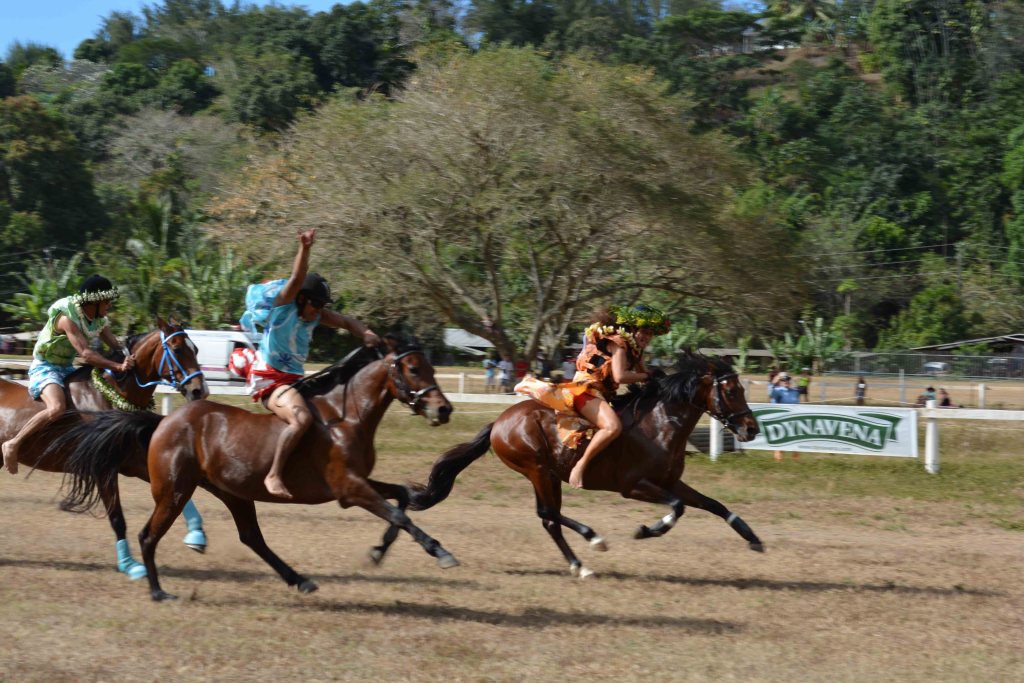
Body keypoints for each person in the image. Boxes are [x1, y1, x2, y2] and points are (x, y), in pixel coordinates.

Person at [246, 228, 380, 498]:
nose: (319, 311)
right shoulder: (285, 305)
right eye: (316, 304)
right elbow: (296, 278)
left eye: (322, 306)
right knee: (302, 418)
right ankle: (273, 475)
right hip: (269, 380)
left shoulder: (315, 315)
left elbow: (345, 322)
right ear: (302, 299)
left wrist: (365, 333)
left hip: (294, 381)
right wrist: (305, 248)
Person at [519, 305, 670, 489]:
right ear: (632, 328)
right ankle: (580, 467)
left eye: (651, 334)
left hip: (604, 394)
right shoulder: (619, 343)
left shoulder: (635, 350)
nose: (647, 337)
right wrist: (648, 376)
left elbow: (644, 375)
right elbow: (620, 376)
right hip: (586, 389)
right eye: (644, 331)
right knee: (613, 427)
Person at [3, 275, 135, 474]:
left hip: (66, 367)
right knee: (57, 408)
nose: (109, 305)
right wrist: (118, 367)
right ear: (94, 301)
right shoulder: (66, 318)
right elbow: (86, 354)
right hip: (45, 367)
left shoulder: (99, 320)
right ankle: (13, 443)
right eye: (106, 301)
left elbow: (115, 345)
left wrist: (130, 356)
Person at [769, 371, 801, 462]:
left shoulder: (795, 392)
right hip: (781, 419)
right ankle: (779, 460)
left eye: (787, 379)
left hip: (794, 419)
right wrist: (774, 382)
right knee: (781, 440)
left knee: (795, 441)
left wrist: (792, 380)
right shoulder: (777, 391)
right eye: (783, 380)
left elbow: (799, 390)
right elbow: (771, 394)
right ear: (780, 381)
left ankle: (796, 461)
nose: (785, 381)